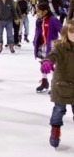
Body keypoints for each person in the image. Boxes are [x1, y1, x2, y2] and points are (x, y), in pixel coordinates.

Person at [40, 20, 74, 148]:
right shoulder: (60, 46)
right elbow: (53, 55)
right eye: (71, 32)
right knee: (59, 110)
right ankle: (55, 130)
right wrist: (47, 61)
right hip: (62, 84)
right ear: (66, 32)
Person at [33, 2, 62, 93]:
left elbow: (62, 30)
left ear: (45, 11)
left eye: (39, 11)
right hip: (42, 46)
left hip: (51, 47)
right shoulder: (39, 20)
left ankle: (55, 84)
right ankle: (44, 82)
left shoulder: (53, 20)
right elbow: (37, 32)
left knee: (52, 66)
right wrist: (35, 41)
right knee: (43, 64)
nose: (37, 13)